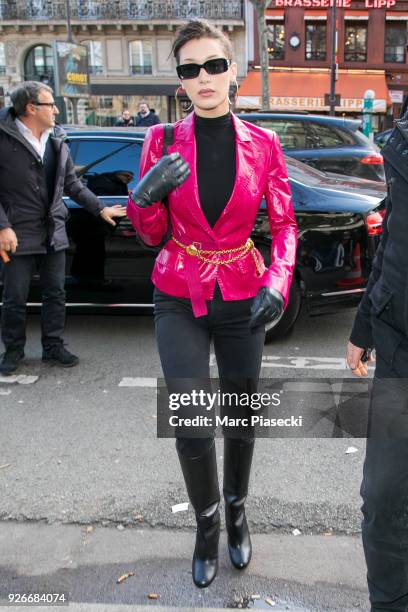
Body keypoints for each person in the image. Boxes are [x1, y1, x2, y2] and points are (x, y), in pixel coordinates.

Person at [127, 19, 297, 589]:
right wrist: (142, 197)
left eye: (213, 65)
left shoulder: (264, 144)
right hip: (179, 291)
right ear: (180, 81)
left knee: (242, 417)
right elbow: (151, 235)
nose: (203, 78)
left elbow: (286, 224)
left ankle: (237, 510)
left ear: (233, 72)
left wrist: (279, 278)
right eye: (190, 69)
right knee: (192, 420)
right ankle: (205, 526)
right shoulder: (160, 141)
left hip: (245, 292)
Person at [0, 81, 126, 375]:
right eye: (50, 104)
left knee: (55, 293)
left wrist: (99, 207)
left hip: (53, 231)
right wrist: (3, 226)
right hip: (16, 234)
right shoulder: (4, 142)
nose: (56, 110)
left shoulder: (57, 139)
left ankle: (53, 347)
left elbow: (73, 184)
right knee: (14, 298)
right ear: (31, 109)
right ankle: (13, 351)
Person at [346, 102, 408, 609]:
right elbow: (392, 242)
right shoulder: (404, 136)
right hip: (399, 349)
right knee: (384, 501)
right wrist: (364, 323)